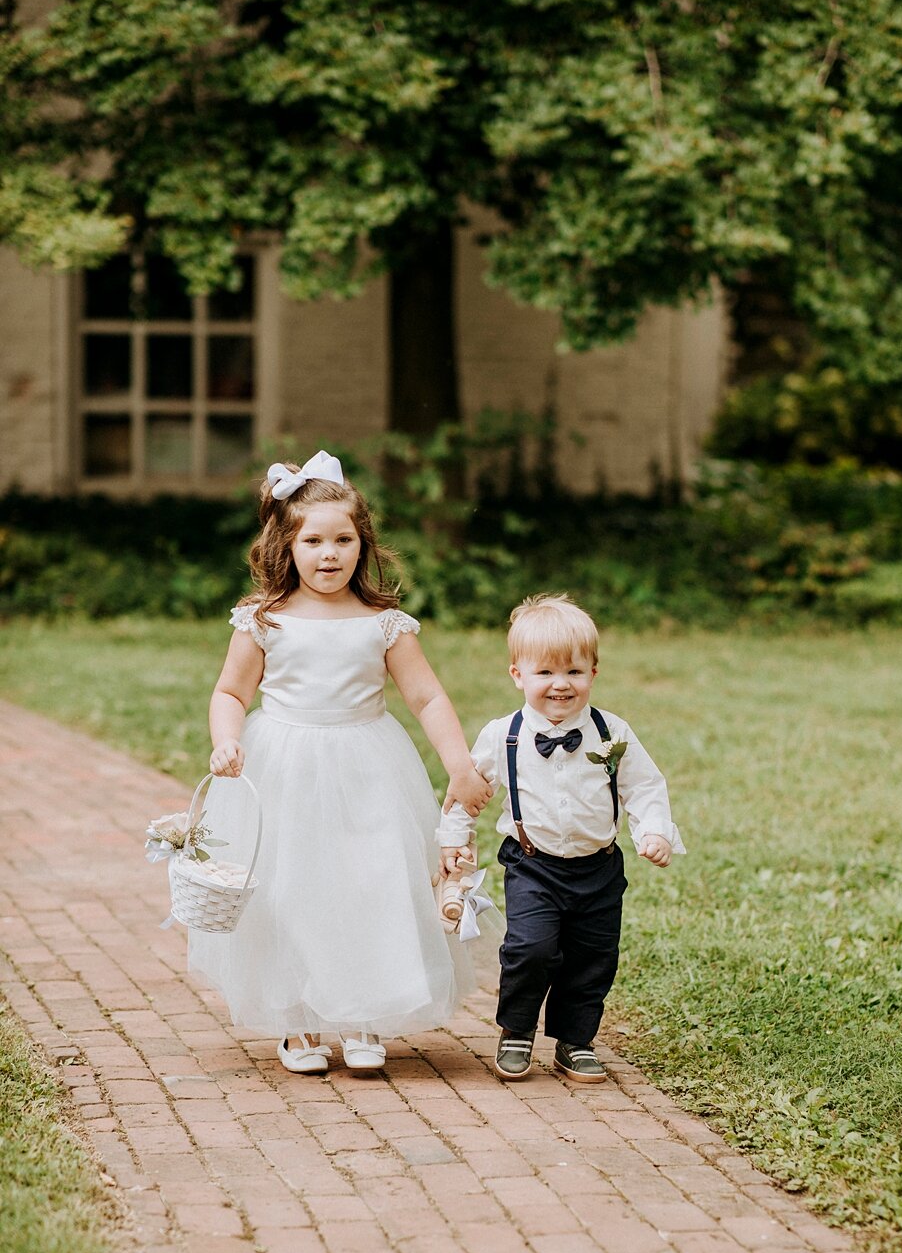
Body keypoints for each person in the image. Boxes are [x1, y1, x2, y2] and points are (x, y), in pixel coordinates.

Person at [193, 449, 498, 1076]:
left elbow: (426, 696)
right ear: (286, 544)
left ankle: (365, 1012)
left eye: (343, 539)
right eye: (313, 540)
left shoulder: (383, 624)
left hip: (367, 766)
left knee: (371, 882)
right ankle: (297, 1020)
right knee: (293, 888)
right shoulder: (263, 621)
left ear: (364, 546)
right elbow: (230, 692)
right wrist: (227, 738)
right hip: (286, 767)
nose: (329, 554)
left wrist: (460, 764)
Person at [439, 593, 685, 1085]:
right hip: (533, 865)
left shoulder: (611, 732)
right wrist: (453, 840)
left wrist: (653, 831)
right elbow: (463, 792)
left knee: (593, 956)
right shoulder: (502, 734)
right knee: (531, 948)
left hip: (598, 866)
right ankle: (516, 1030)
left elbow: (644, 785)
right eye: (545, 672)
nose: (560, 684)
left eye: (574, 672)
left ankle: (575, 1041)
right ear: (518, 675)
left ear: (594, 672)